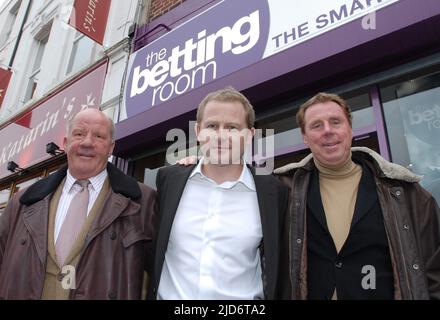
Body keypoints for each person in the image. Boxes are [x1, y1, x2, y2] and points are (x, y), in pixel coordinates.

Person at [274, 92, 440, 299]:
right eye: (316, 125)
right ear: (305, 137)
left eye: (335, 122)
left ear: (350, 129)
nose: (327, 131)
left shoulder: (405, 192)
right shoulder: (283, 192)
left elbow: (434, 269)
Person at [149, 87, 289, 300]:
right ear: (198, 132)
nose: (221, 136)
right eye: (212, 126)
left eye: (232, 128)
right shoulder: (170, 180)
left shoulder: (274, 192)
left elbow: (280, 266)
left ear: (249, 135)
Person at [0, 108, 156, 299]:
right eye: (79, 134)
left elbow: (162, 276)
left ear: (111, 147)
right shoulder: (22, 202)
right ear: (66, 143)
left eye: (99, 136)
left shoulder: (142, 201)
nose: (87, 142)